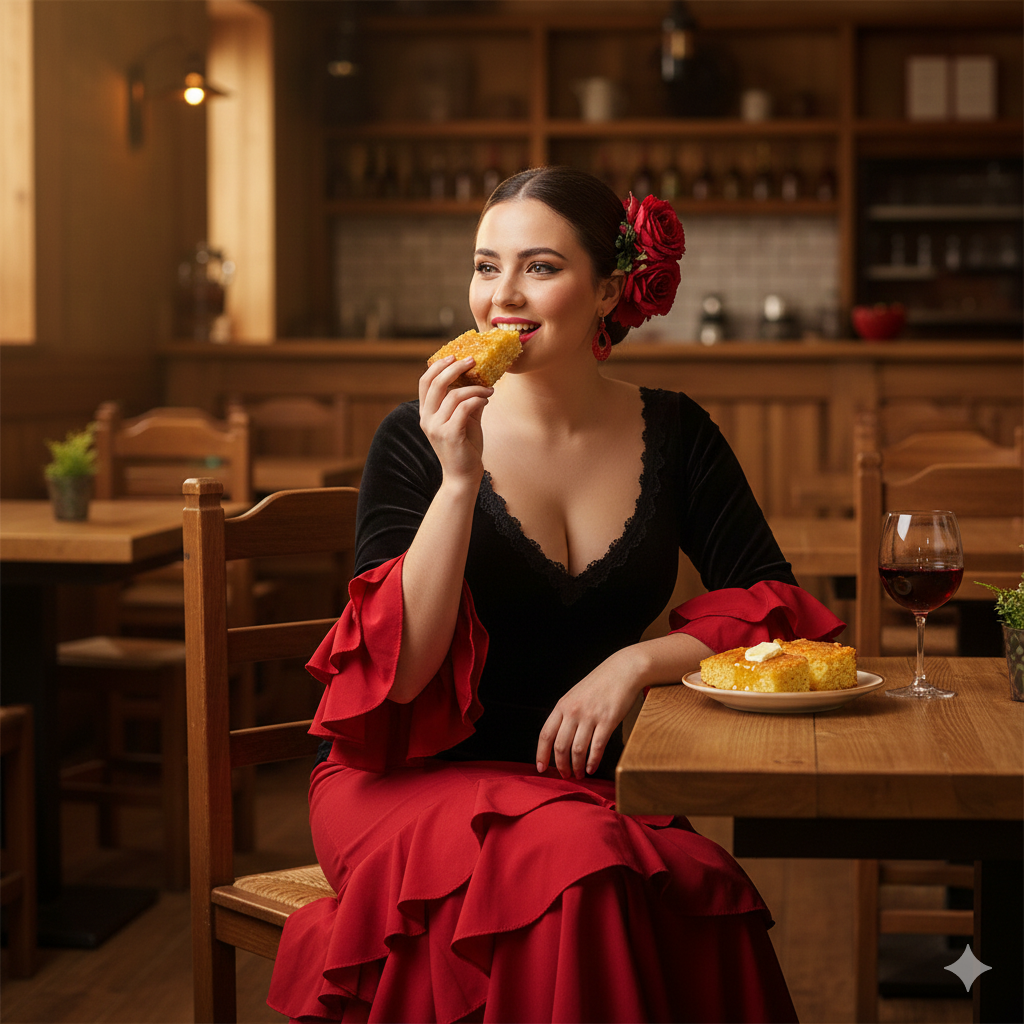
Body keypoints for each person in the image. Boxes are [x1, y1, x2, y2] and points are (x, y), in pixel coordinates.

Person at [268, 167, 843, 1023]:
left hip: (589, 789)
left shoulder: (678, 434)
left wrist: (634, 665)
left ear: (609, 288)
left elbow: (774, 604)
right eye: (485, 266)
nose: (502, 295)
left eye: (539, 267)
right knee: (579, 872)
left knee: (694, 878)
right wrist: (458, 480)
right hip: (409, 784)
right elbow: (407, 671)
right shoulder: (414, 440)